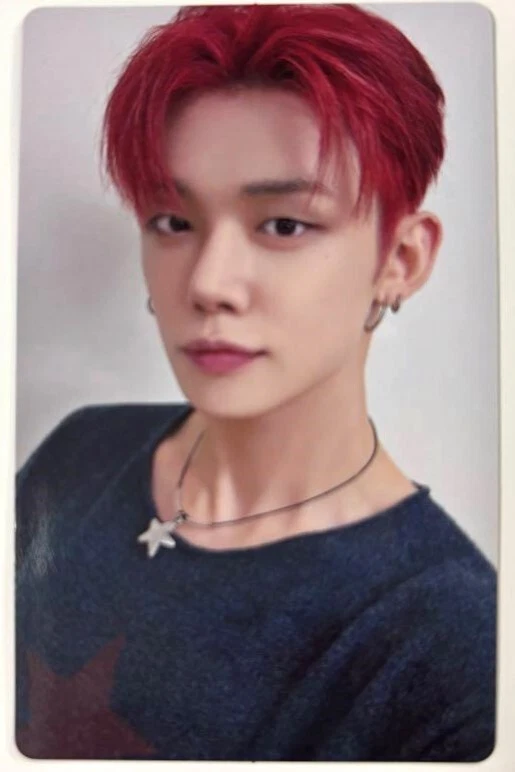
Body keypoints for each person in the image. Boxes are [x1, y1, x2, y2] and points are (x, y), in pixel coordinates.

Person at [15, 3, 496, 762]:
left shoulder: (451, 649)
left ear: (400, 260)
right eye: (173, 222)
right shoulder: (80, 452)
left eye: (283, 225)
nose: (209, 283)